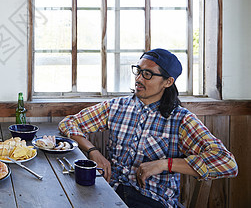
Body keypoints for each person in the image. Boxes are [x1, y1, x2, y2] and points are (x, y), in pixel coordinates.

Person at [59, 48, 238, 208]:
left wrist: (165, 164)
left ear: (168, 82)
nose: (138, 79)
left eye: (148, 74)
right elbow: (68, 123)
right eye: (138, 71)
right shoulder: (116, 107)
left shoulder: (181, 120)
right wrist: (93, 151)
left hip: (153, 199)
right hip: (108, 192)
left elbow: (227, 163)